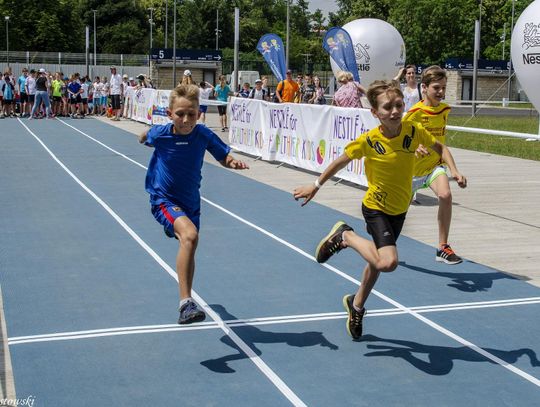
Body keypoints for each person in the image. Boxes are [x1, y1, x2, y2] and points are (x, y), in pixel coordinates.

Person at [293, 80, 466, 340]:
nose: (395, 111)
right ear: (375, 113)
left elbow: (440, 147)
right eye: (387, 107)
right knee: (388, 262)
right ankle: (345, 237)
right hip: (376, 208)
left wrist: (454, 170)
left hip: (399, 210)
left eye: (398, 105)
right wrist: (315, 185)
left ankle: (357, 305)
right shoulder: (369, 141)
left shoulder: (413, 130)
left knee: (375, 262)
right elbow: (340, 161)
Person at [138, 83, 249, 324]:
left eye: (192, 113)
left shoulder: (203, 135)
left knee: (189, 241)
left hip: (190, 202)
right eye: (180, 114)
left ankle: (174, 230)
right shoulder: (162, 133)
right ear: (170, 115)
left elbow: (224, 157)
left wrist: (233, 163)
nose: (186, 119)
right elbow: (146, 136)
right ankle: (185, 303)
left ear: (200, 113)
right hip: (163, 199)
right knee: (189, 236)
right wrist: (145, 135)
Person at [404, 65, 467, 265]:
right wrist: (414, 148)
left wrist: (455, 171)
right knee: (395, 218)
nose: (441, 92)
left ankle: (442, 247)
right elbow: (401, 140)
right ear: (425, 88)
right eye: (436, 88)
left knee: (446, 195)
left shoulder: (445, 110)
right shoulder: (414, 113)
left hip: (433, 167)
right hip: (409, 173)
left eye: (443, 88)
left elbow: (441, 145)